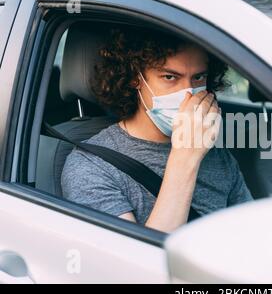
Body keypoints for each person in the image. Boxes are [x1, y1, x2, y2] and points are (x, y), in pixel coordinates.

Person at [61, 26, 253, 233]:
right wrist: (185, 157)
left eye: (198, 77)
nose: (187, 93)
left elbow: (252, 237)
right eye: (170, 77)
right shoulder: (91, 165)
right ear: (136, 77)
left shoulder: (215, 154)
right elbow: (134, 262)